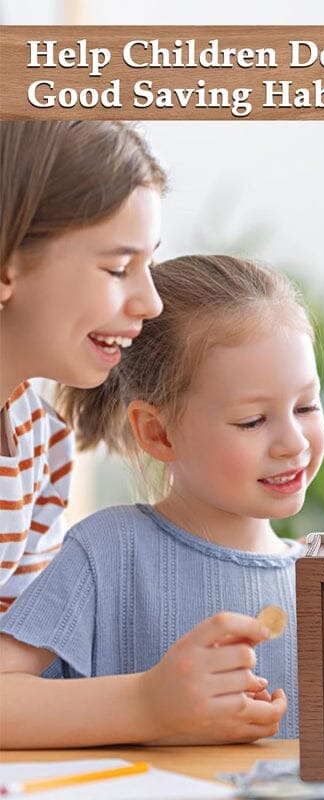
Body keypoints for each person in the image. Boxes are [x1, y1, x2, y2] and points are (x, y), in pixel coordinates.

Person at [0, 254, 324, 747]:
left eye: (306, 405)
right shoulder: (107, 553)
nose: (294, 443)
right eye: (252, 421)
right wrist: (149, 706)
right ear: (158, 433)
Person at [0, 121, 165, 611]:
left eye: (149, 267)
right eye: (118, 269)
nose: (152, 302)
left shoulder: (42, 441)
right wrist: (145, 692)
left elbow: (19, 661)